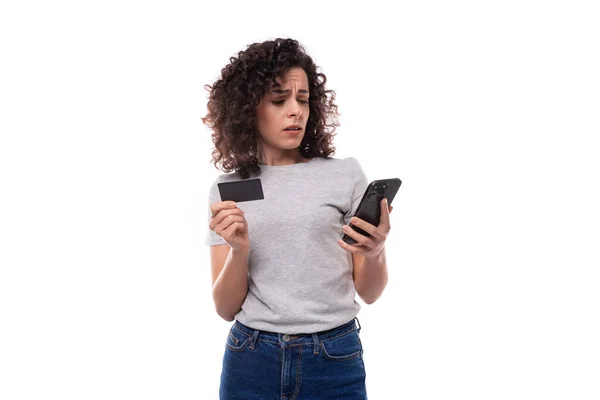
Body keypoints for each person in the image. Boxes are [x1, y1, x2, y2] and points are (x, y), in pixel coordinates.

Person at [202, 38, 394, 400]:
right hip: (251, 359)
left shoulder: (345, 175)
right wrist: (239, 250)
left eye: (303, 99)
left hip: (334, 357)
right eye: (279, 100)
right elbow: (225, 308)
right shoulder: (228, 188)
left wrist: (376, 250)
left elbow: (369, 292)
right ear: (248, 109)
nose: (296, 111)